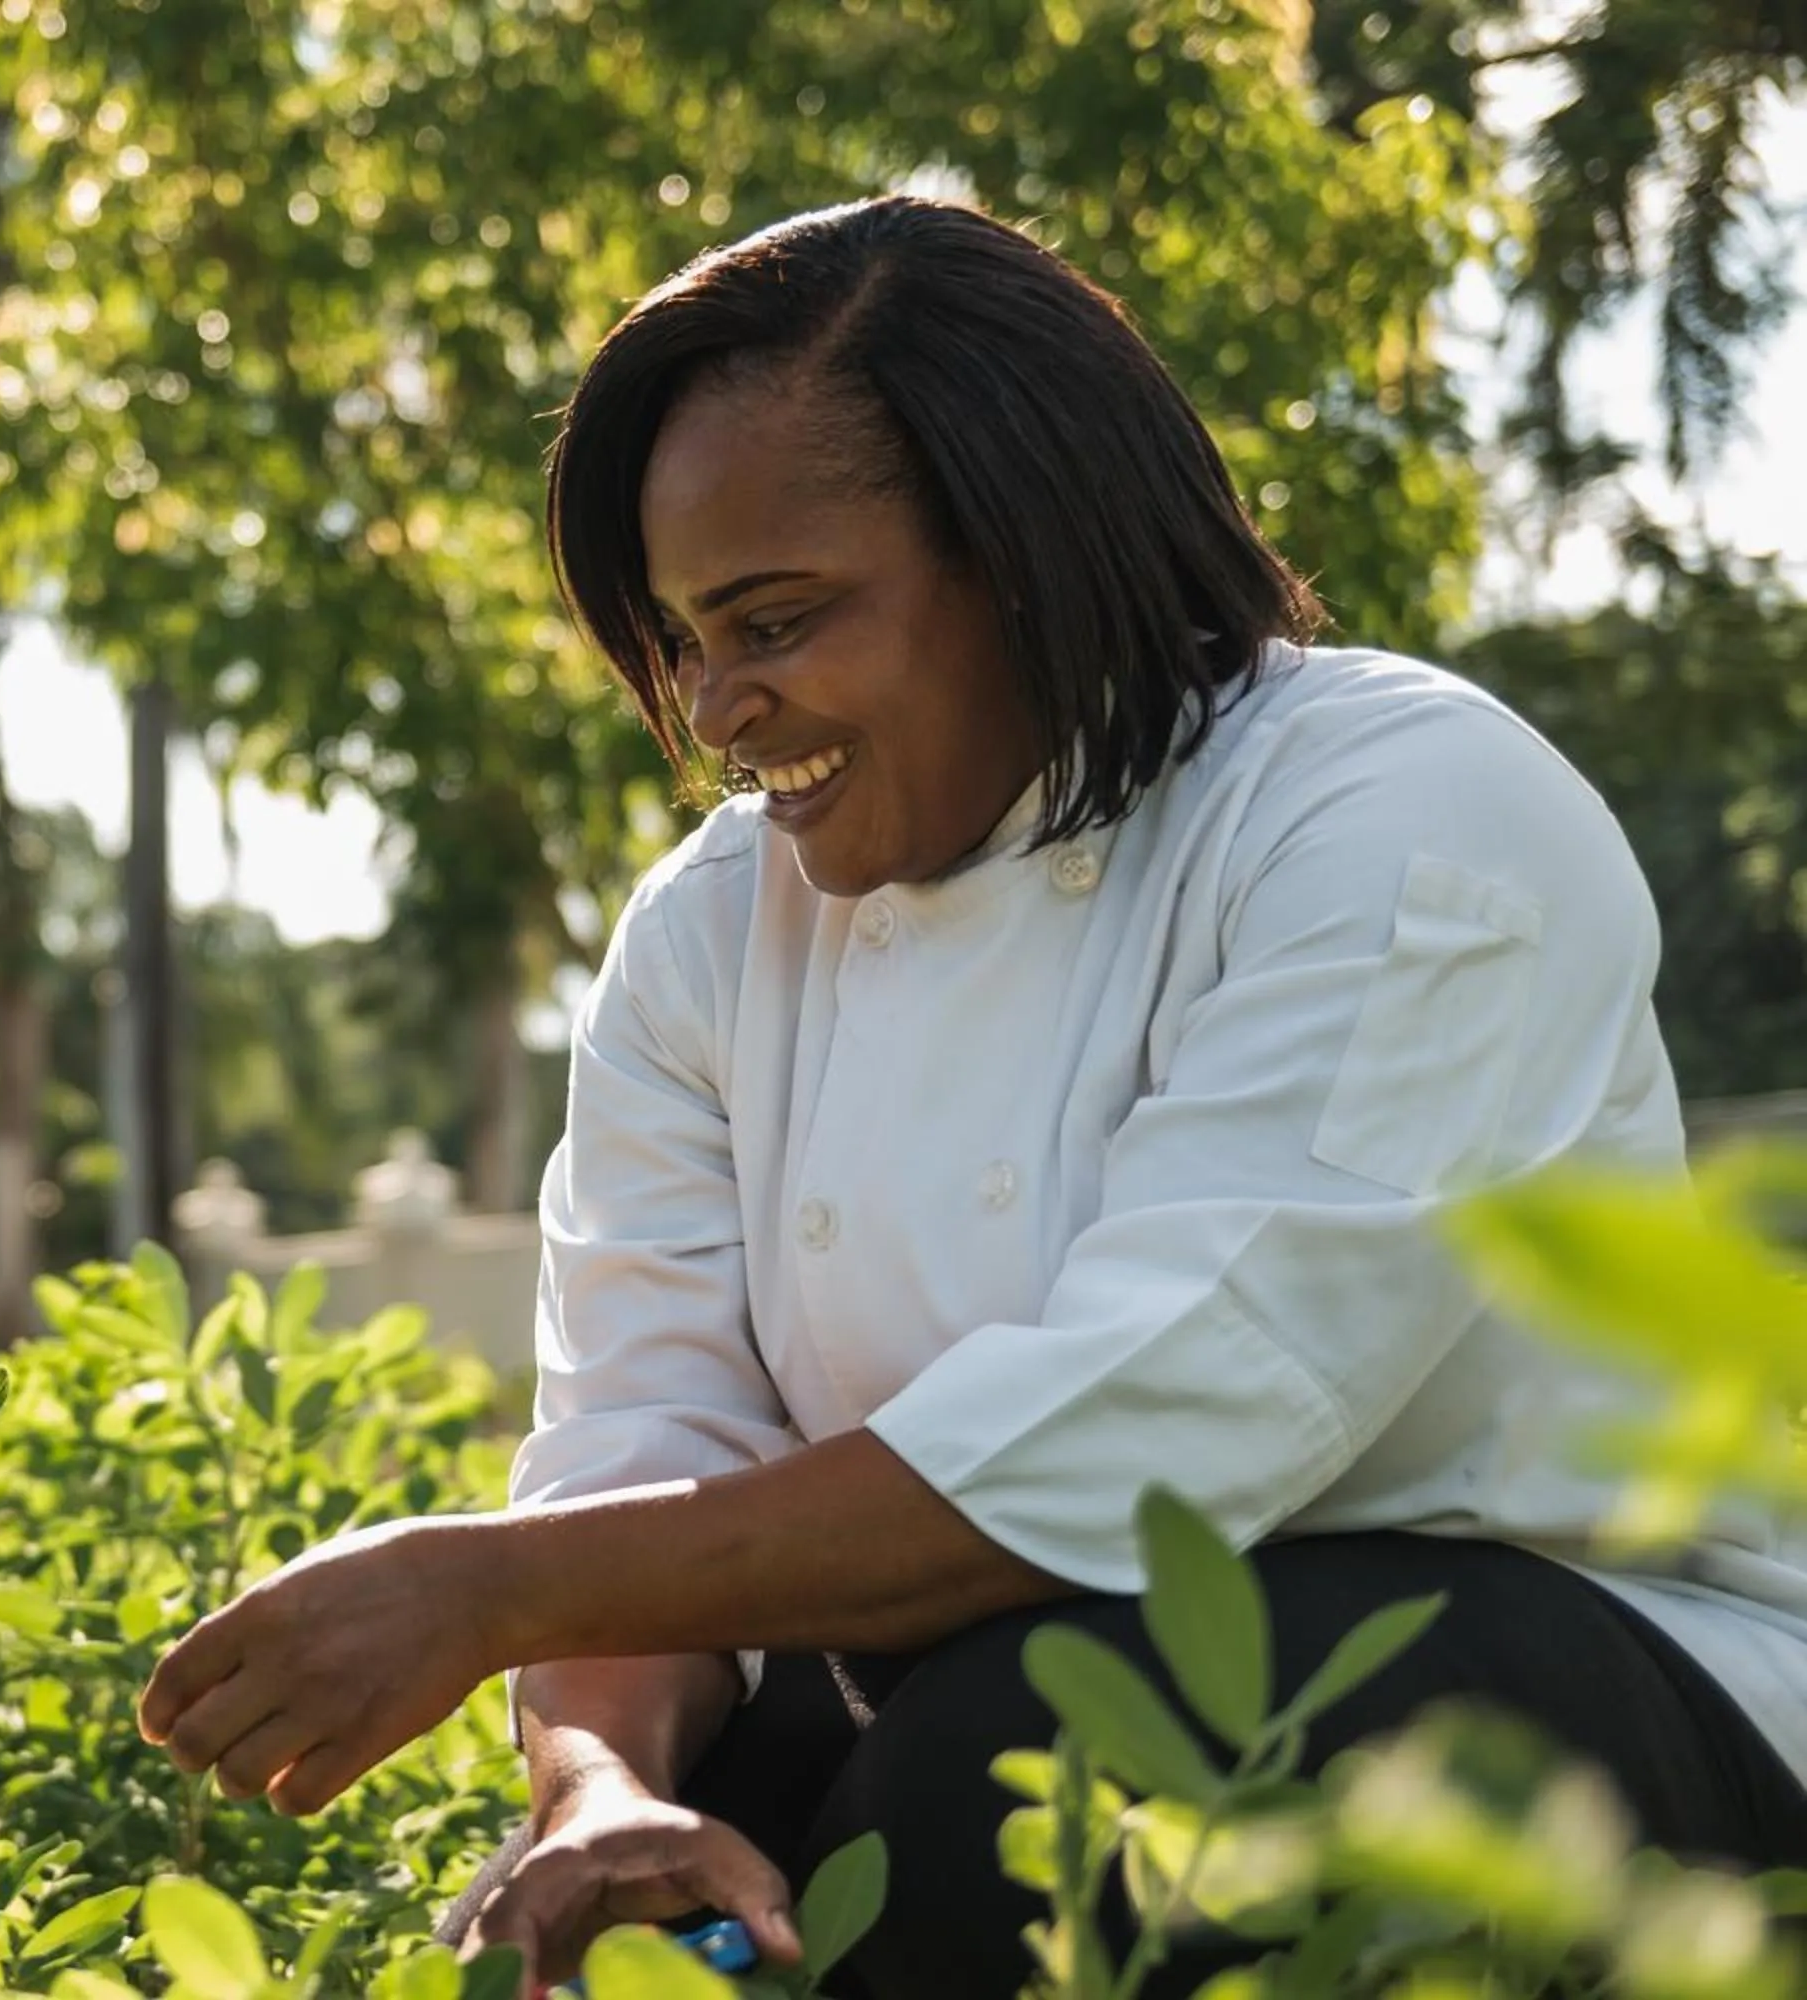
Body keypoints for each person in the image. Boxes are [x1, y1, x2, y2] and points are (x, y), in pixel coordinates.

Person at [134, 196, 1807, 1995]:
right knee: (658, 1906)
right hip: (1019, 1674)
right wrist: (597, 1781)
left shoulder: (1401, 808)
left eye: (774, 620)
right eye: (687, 640)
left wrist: (485, 1591)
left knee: (1023, 1766)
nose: (717, 708)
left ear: (1027, 548)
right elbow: (647, 1439)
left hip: (1590, 1689)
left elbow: (1160, 1433)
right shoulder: (711, 930)